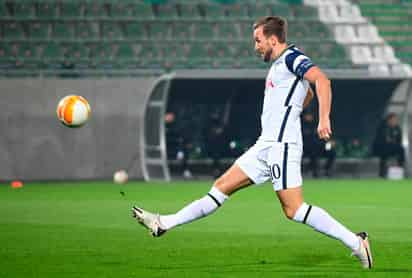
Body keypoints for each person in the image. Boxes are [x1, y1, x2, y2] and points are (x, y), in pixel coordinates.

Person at [132, 16, 373, 269]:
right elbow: (308, 92)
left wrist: (323, 119)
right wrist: (292, 110)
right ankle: (164, 223)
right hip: (265, 144)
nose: (255, 46)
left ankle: (357, 243)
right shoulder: (279, 65)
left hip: (282, 145)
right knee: (221, 186)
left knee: (294, 210)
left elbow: (322, 81)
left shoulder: (292, 58)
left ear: (272, 39)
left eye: (258, 40)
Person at [302, 112, 336, 177]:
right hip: (307, 148)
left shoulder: (317, 124)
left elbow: (326, 138)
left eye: (310, 115)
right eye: (308, 115)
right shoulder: (302, 126)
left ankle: (327, 170)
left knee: (332, 152)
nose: (309, 117)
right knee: (313, 154)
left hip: (321, 147)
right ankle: (314, 172)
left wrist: (329, 144)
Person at [373, 113, 405, 178]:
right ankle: (382, 174)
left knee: (401, 149)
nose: (395, 121)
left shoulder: (397, 128)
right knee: (384, 154)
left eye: (396, 120)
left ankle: (400, 169)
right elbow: (382, 139)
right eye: (393, 119)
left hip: (393, 147)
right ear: (389, 120)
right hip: (381, 148)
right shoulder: (383, 127)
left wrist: (393, 142)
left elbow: (399, 140)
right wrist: (389, 140)